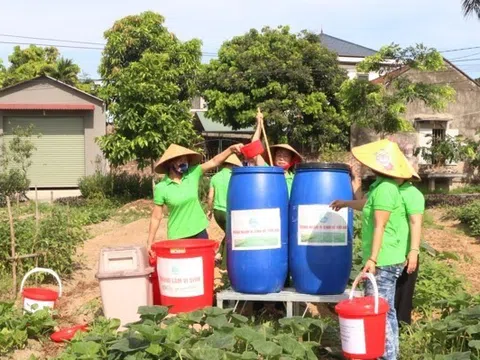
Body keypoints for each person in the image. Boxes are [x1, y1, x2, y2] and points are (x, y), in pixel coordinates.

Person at [330, 139, 415, 360]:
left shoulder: (386, 189)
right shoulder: (380, 186)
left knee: (379, 311)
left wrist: (373, 259)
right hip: (386, 258)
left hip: (384, 259)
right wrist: (345, 203)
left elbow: (380, 224)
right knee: (388, 311)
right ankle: (390, 354)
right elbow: (366, 204)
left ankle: (384, 356)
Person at [147, 143, 243, 251]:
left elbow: (214, 161)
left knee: (203, 265)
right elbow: (156, 217)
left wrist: (230, 149)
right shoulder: (162, 187)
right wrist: (149, 242)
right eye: (180, 160)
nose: (184, 163)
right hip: (178, 235)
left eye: (186, 160)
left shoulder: (192, 173)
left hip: (199, 231)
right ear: (170, 163)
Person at [251, 109, 302, 196]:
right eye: (279, 155)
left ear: (291, 160)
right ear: (274, 157)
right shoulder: (268, 170)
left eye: (285, 156)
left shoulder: (295, 178)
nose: (281, 158)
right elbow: (254, 149)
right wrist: (259, 124)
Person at [207, 153, 243, 267]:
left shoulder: (215, 177)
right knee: (231, 235)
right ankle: (224, 265)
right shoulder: (235, 177)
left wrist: (209, 210)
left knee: (228, 233)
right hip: (230, 211)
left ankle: (218, 254)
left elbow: (210, 196)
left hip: (218, 212)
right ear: (234, 165)